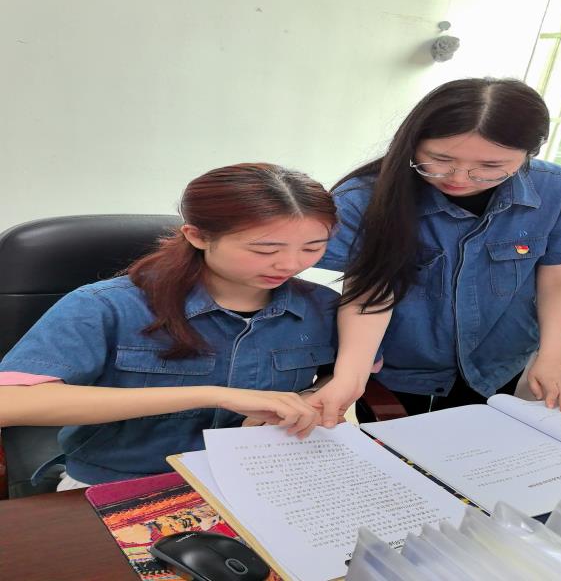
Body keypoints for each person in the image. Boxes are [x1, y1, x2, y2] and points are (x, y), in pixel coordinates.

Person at [306, 78, 561, 425]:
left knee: (475, 445)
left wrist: (552, 358)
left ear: (529, 153)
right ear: (412, 142)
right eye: (439, 159)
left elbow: (560, 279)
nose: (459, 178)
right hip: (397, 361)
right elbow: (369, 291)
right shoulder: (365, 197)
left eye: (490, 166)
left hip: (498, 358)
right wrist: (350, 377)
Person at [0, 163, 339, 488]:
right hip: (126, 481)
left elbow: (339, 376)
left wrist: (307, 400)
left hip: (265, 475)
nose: (291, 264)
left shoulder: (323, 306)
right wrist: (216, 396)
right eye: (265, 250)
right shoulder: (105, 305)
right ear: (198, 236)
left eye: (312, 248)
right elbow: (10, 403)